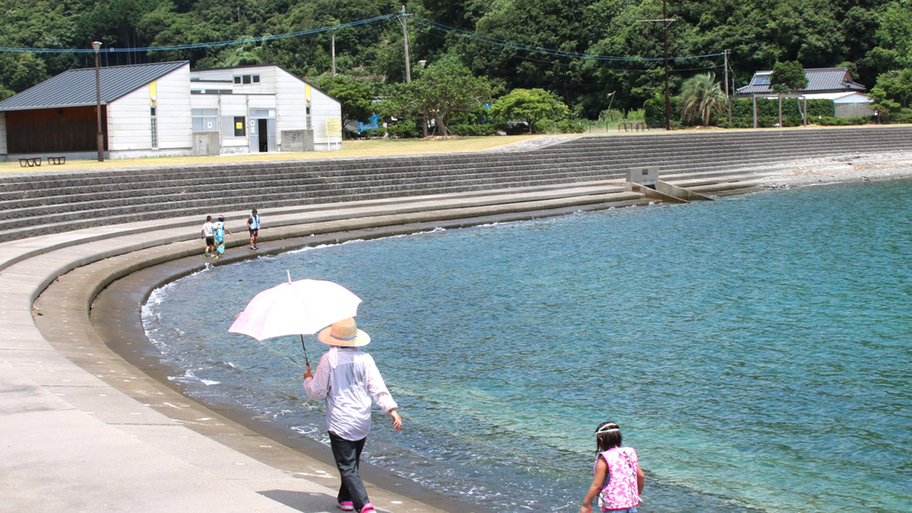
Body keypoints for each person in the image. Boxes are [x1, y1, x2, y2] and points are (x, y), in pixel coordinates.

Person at [303, 318, 402, 513]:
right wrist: (391, 409)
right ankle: (345, 498)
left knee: (347, 466)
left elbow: (316, 392)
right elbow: (377, 387)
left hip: (341, 420)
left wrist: (308, 379)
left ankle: (364, 505)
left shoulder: (329, 359)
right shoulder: (365, 358)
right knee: (351, 461)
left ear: (333, 339)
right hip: (362, 420)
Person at [578, 421, 645, 513]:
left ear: (601, 440)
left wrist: (585, 505)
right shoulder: (628, 453)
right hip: (631, 504)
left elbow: (597, 485)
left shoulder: (605, 458)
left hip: (613, 507)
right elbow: (641, 476)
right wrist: (638, 494)